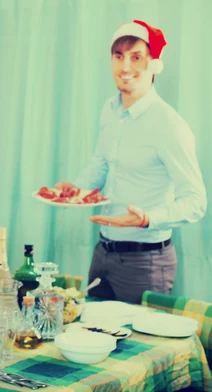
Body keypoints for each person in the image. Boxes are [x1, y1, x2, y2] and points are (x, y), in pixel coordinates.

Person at [57, 20, 206, 304]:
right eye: (119, 56)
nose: (125, 67)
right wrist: (74, 190)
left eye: (136, 57)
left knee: (142, 345)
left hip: (146, 261)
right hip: (102, 253)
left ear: (153, 64)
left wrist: (148, 218)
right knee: (92, 333)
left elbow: (196, 201)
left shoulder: (169, 125)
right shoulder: (110, 109)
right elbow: (101, 163)